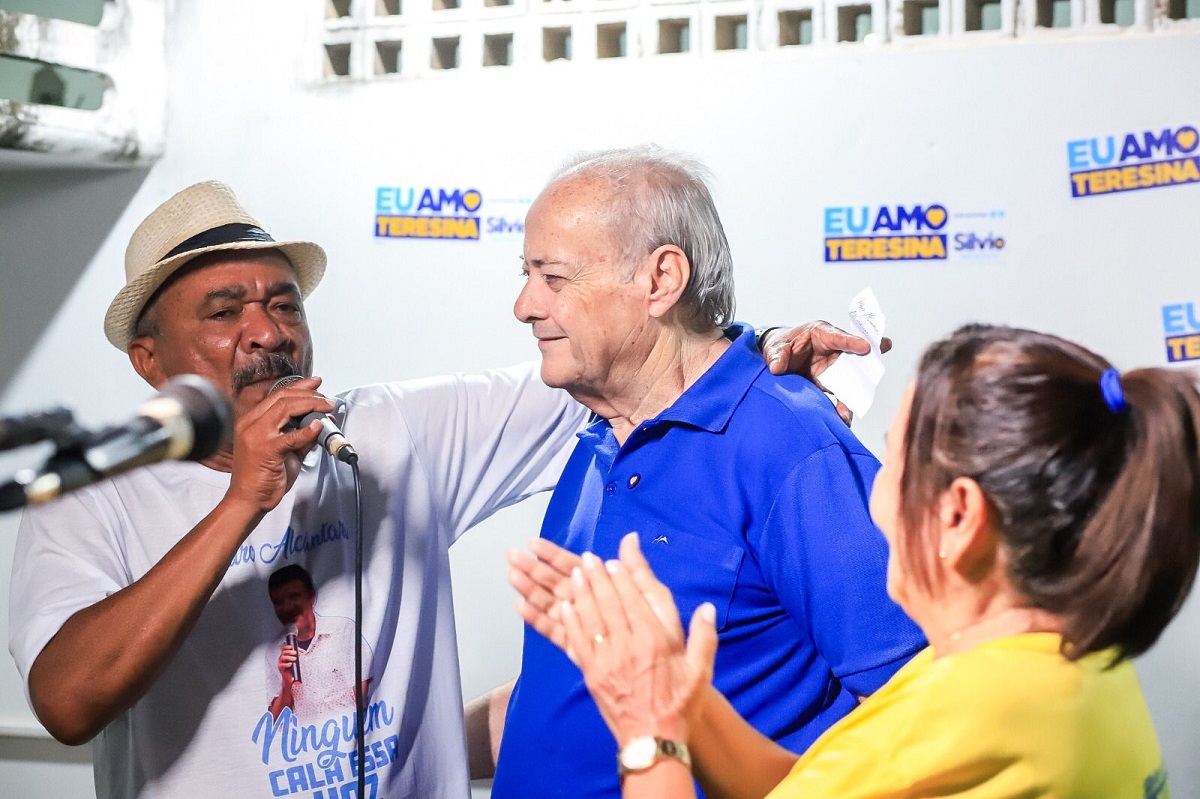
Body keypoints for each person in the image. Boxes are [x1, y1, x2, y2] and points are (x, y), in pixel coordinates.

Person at [7, 179, 863, 798]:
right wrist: (243, 503)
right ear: (149, 359)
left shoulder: (386, 432)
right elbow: (67, 701)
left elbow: (637, 357)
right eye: (225, 312)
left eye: (284, 303)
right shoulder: (96, 495)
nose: (268, 331)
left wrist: (768, 345)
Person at [516, 323, 1200, 798]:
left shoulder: (966, 718)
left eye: (891, 461)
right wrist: (687, 701)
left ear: (959, 517)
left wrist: (649, 731)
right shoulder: (1060, 661)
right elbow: (826, 784)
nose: (868, 492)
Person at [483, 146, 924, 799]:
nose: (524, 304)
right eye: (525, 273)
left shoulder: (792, 448)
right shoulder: (601, 430)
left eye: (553, 276)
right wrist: (406, 741)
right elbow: (574, 687)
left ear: (661, 279)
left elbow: (916, 721)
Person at [266, 564, 372, 722]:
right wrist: (286, 683)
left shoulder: (342, 631)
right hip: (306, 744)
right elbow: (275, 722)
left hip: (347, 738)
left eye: (294, 597)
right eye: (279, 602)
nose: (287, 607)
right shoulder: (275, 650)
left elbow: (368, 689)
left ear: (312, 597)